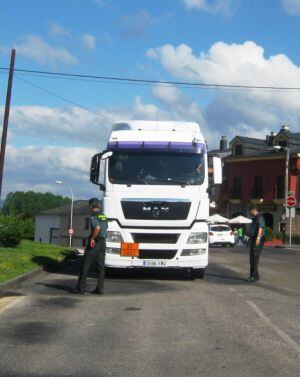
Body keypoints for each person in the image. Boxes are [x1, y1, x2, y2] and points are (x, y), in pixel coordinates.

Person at [74, 198, 108, 295]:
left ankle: (81, 289)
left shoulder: (94, 216)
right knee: (101, 267)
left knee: (85, 265)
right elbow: (105, 229)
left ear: (90, 206)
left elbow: (97, 228)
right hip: (103, 243)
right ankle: (99, 289)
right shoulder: (103, 216)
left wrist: (92, 238)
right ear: (99, 205)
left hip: (95, 242)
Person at [246, 205, 265, 283]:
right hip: (254, 239)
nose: (249, 213)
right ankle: (255, 276)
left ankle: (253, 276)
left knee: (254, 258)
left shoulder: (259, 217)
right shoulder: (255, 218)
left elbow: (261, 227)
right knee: (252, 258)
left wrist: (258, 238)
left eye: (250, 211)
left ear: (253, 210)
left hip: (258, 239)